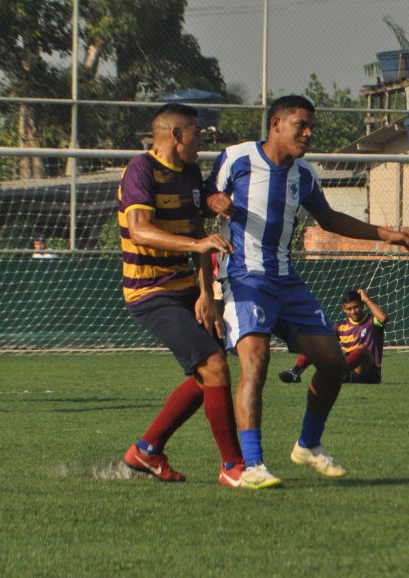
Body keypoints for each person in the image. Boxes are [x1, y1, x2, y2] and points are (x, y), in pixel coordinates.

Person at [204, 95, 409, 487]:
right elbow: (201, 198)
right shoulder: (236, 158)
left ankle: (308, 445)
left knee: (334, 363)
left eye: (311, 127)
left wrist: (385, 234)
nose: (308, 133)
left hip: (288, 281)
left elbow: (329, 217)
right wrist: (212, 200)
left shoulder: (304, 174)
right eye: (300, 125)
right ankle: (252, 466)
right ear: (275, 125)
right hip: (245, 278)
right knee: (256, 363)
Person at [118, 103, 251, 489]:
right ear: (176, 135)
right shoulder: (140, 170)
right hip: (149, 291)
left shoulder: (191, 172)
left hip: (188, 289)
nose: (201, 140)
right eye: (197, 132)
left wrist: (206, 293)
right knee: (214, 366)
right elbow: (140, 230)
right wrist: (196, 244)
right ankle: (233, 466)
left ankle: (147, 449)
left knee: (207, 377)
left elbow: (199, 237)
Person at [279, 288, 386, 385]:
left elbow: (383, 318)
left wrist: (367, 299)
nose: (353, 311)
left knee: (362, 349)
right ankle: (296, 372)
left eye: (356, 307)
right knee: (318, 343)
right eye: (349, 309)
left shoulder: (372, 320)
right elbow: (323, 342)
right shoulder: (340, 326)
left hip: (370, 373)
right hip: (350, 373)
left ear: (362, 305)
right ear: (343, 309)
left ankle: (338, 372)